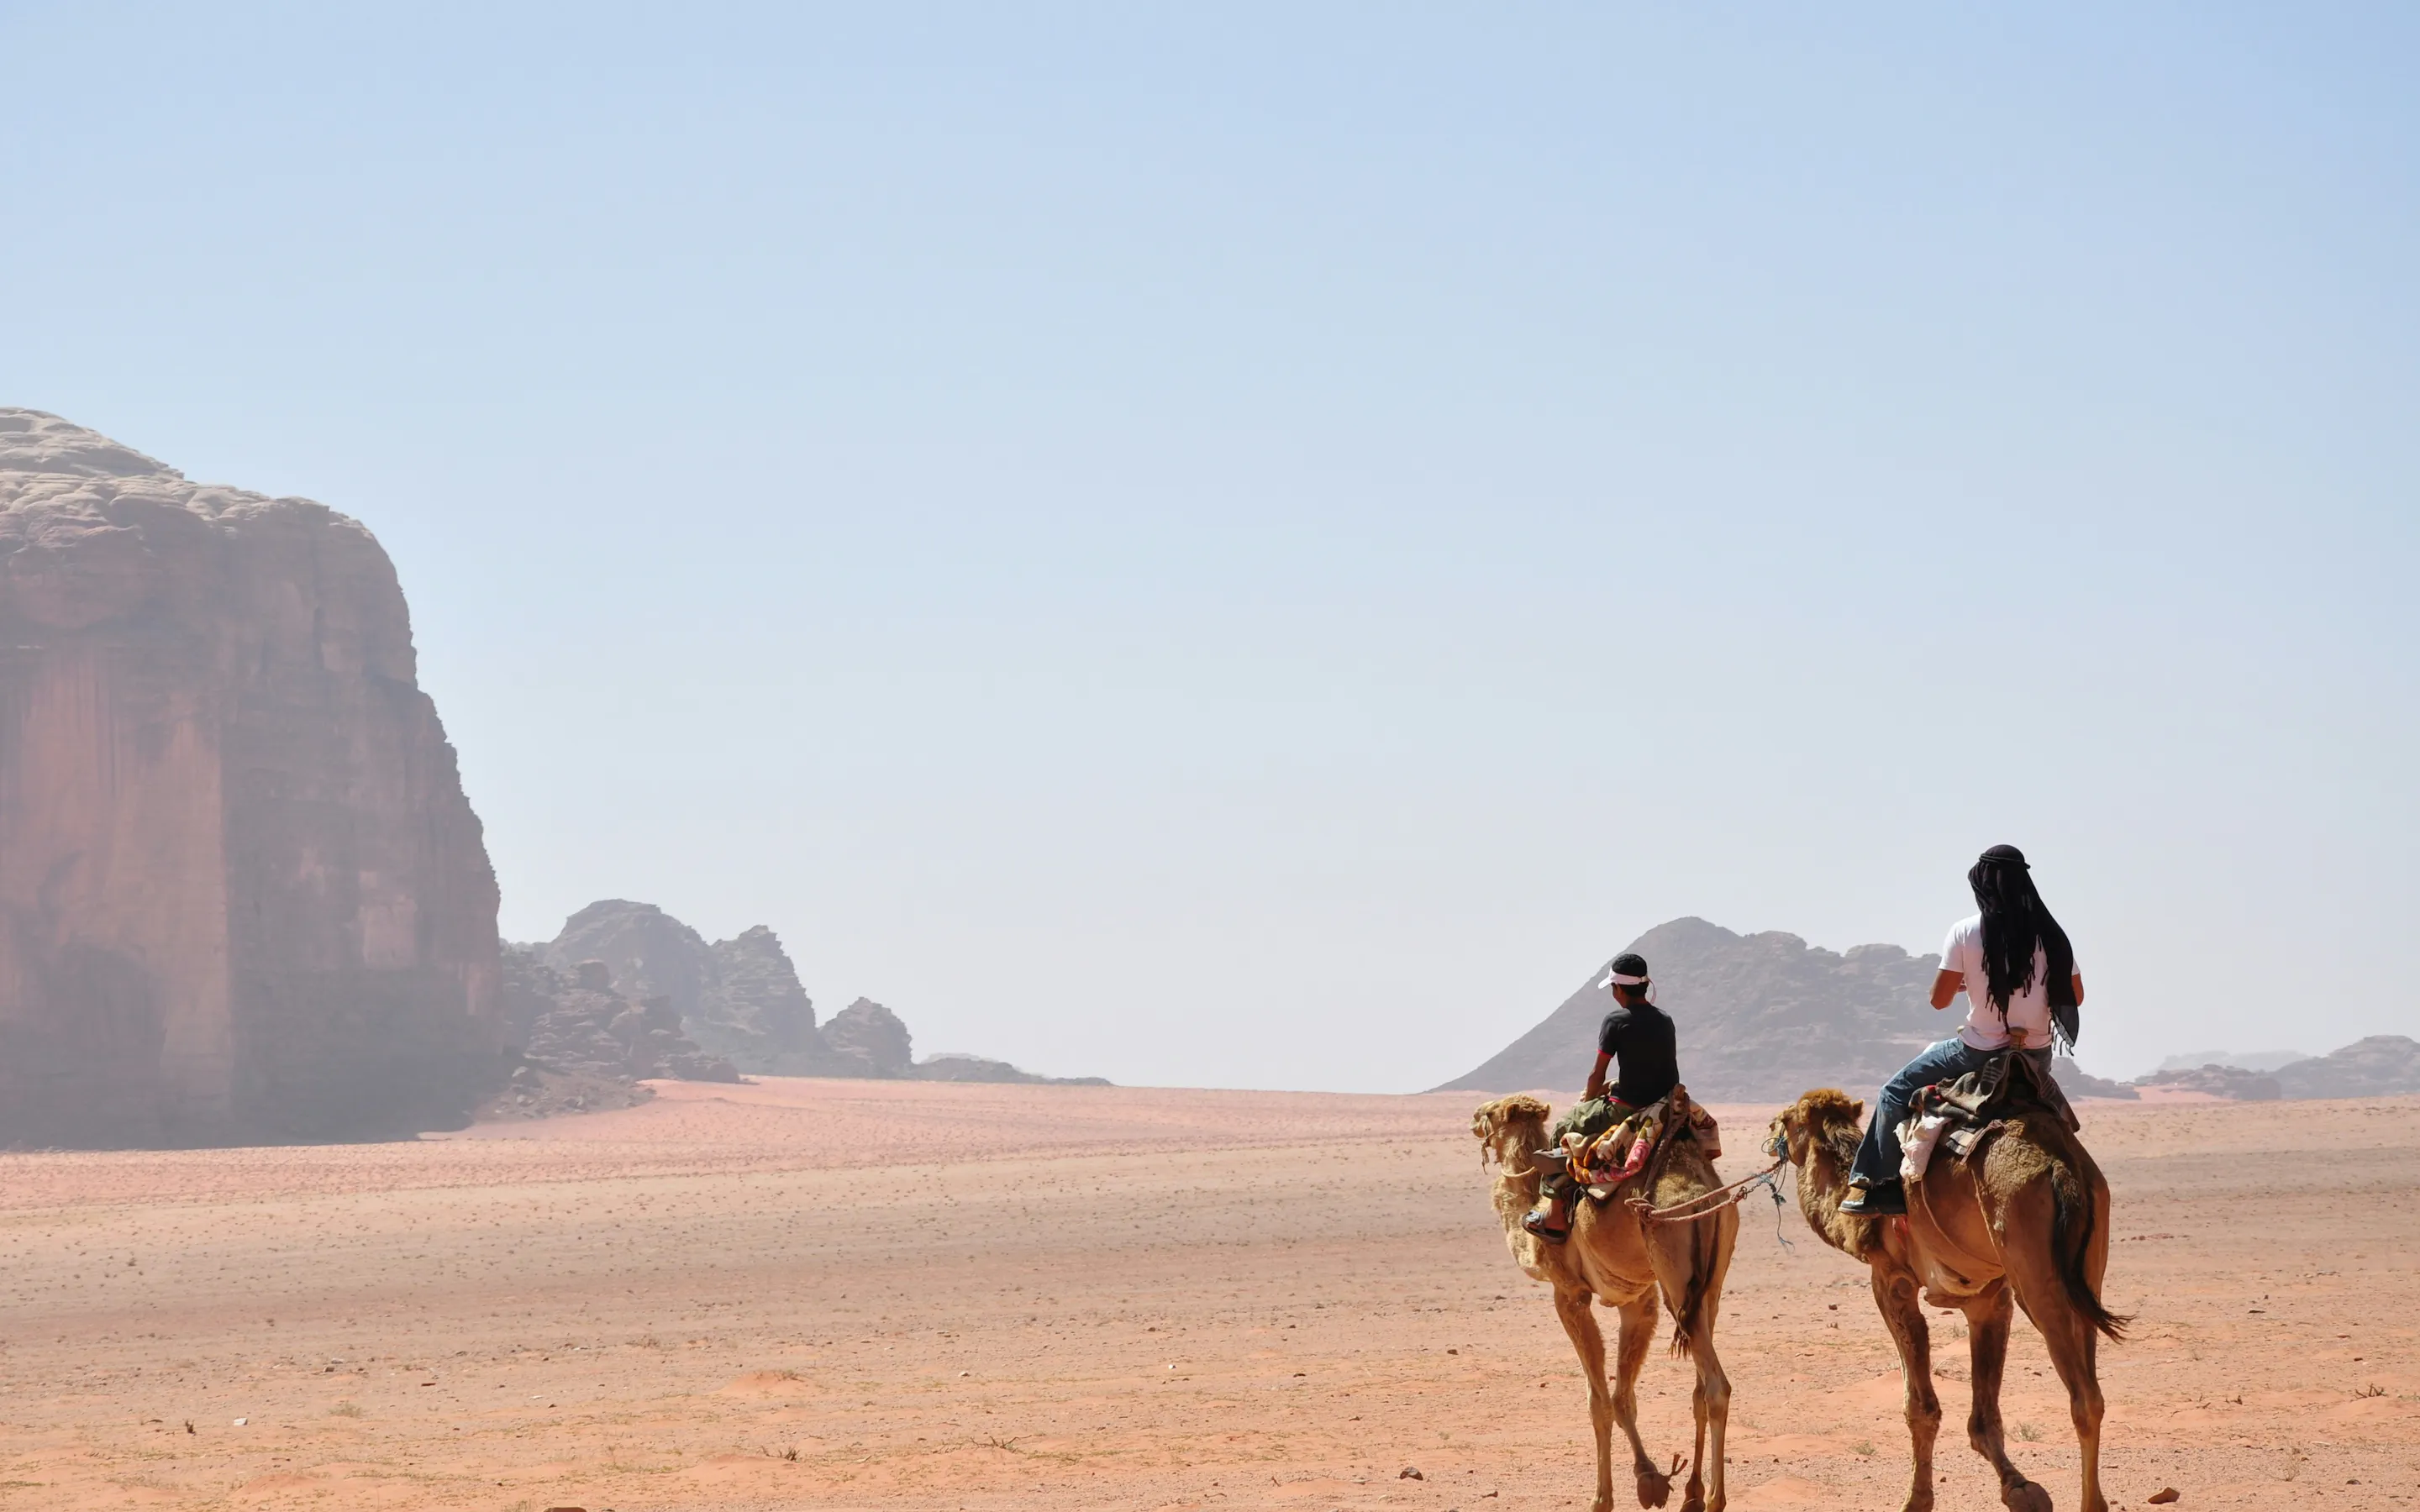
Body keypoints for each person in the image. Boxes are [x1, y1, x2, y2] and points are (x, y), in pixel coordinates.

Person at [1840, 843, 2084, 1216]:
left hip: (1977, 1051)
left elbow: (1938, 1000)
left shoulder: (1966, 931)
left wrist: (1971, 982)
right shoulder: (2052, 934)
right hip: (2035, 1055)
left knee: (1892, 1092)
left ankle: (1881, 1184)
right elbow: (2075, 997)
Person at [1522, 952, 1680, 1243]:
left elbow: (1597, 1074)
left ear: (1618, 989)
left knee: (1563, 1128)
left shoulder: (1616, 1020)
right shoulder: (1665, 1020)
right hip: (1664, 1106)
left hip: (1626, 1109)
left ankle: (1555, 1214)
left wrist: (1588, 1102)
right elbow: (1658, 1068)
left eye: (1613, 988)